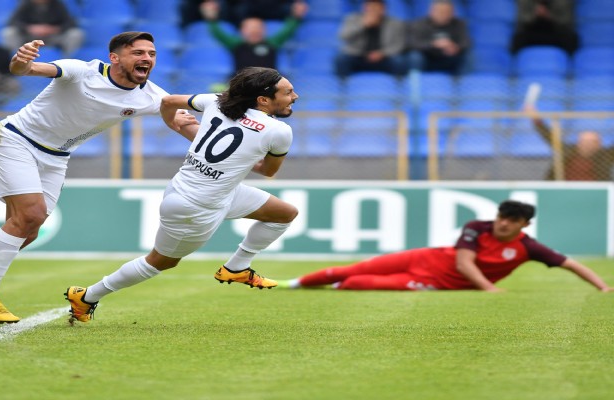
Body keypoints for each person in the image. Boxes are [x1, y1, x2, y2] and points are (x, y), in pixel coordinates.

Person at [0, 32, 200, 328]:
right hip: (16, 140)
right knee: (31, 214)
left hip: (56, 157)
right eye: (138, 52)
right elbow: (27, 70)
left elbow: (180, 120)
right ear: (115, 58)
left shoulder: (152, 95)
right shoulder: (81, 71)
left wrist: (214, 146)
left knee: (27, 231)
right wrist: (21, 61)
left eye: (151, 54)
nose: (147, 59)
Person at [65, 67, 299, 324]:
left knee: (284, 213)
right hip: (197, 207)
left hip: (206, 190)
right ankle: (86, 296)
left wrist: (175, 125)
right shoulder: (278, 131)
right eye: (288, 92)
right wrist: (238, 157)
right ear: (263, 100)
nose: (295, 96)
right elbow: (267, 170)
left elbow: (168, 101)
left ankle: (236, 268)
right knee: (160, 262)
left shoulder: (216, 102)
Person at [283, 200, 613, 293]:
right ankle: (292, 284)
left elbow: (571, 264)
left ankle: (330, 286)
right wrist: (488, 288)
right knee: (351, 269)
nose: (503, 223)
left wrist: (602, 287)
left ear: (524, 226)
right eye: (502, 217)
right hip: (426, 258)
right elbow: (465, 263)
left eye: (512, 221)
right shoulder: (476, 228)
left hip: (434, 282)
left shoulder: (530, 248)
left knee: (359, 284)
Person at [200, 0, 308, 75]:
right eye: (250, 28)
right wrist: (211, 18)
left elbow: (288, 30)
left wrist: (296, 16)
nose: (254, 31)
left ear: (264, 30)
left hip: (269, 84)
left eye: (258, 27)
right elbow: (218, 32)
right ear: (242, 31)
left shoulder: (272, 43)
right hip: (241, 85)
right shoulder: (236, 44)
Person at [525, 104, 614, 181]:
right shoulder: (567, 150)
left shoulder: (605, 156)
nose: (587, 144)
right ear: (578, 142)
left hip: (595, 192)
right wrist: (535, 118)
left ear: (598, 144)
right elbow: (549, 136)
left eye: (591, 142)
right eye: (584, 141)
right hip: (565, 190)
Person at [334, 0, 408, 79]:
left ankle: (399, 87)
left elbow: (399, 44)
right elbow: (343, 36)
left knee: (399, 61)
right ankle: (342, 86)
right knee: (341, 59)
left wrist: (382, 53)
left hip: (384, 58)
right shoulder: (352, 19)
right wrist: (363, 25)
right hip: (358, 56)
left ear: (383, 9)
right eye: (370, 7)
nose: (373, 10)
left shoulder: (395, 23)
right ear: (364, 8)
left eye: (376, 7)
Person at [1, 0, 85, 57]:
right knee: (8, 32)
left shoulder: (57, 4)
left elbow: (70, 23)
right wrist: (29, 28)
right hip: (30, 38)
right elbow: (12, 22)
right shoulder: (25, 4)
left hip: (53, 37)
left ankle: (67, 63)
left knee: (76, 34)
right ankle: (17, 59)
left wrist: (54, 29)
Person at [407, 0, 470, 75]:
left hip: (450, 59)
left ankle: (462, 83)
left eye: (446, 12)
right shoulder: (419, 24)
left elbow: (466, 42)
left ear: (452, 13)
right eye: (440, 12)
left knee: (468, 56)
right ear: (431, 11)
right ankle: (416, 83)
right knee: (414, 56)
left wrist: (455, 47)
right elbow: (413, 43)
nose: (443, 15)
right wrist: (434, 44)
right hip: (428, 59)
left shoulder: (459, 24)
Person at [510, 0, 579, 56]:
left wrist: (549, 16)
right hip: (532, 31)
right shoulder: (525, 1)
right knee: (518, 39)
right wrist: (535, 15)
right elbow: (522, 21)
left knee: (571, 38)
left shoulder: (563, 2)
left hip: (555, 31)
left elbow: (566, 22)